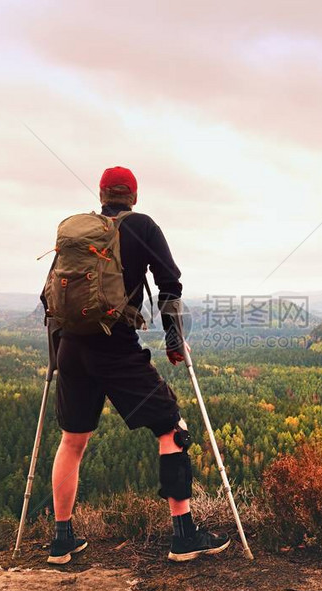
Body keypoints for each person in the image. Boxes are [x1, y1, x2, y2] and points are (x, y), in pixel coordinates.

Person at [43, 166, 230, 564]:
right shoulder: (143, 227)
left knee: (72, 440)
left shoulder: (76, 234)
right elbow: (170, 286)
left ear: (101, 194)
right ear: (134, 195)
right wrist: (174, 341)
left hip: (71, 348)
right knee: (172, 429)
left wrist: (56, 356)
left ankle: (62, 540)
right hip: (115, 348)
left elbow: (52, 298)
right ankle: (183, 536)